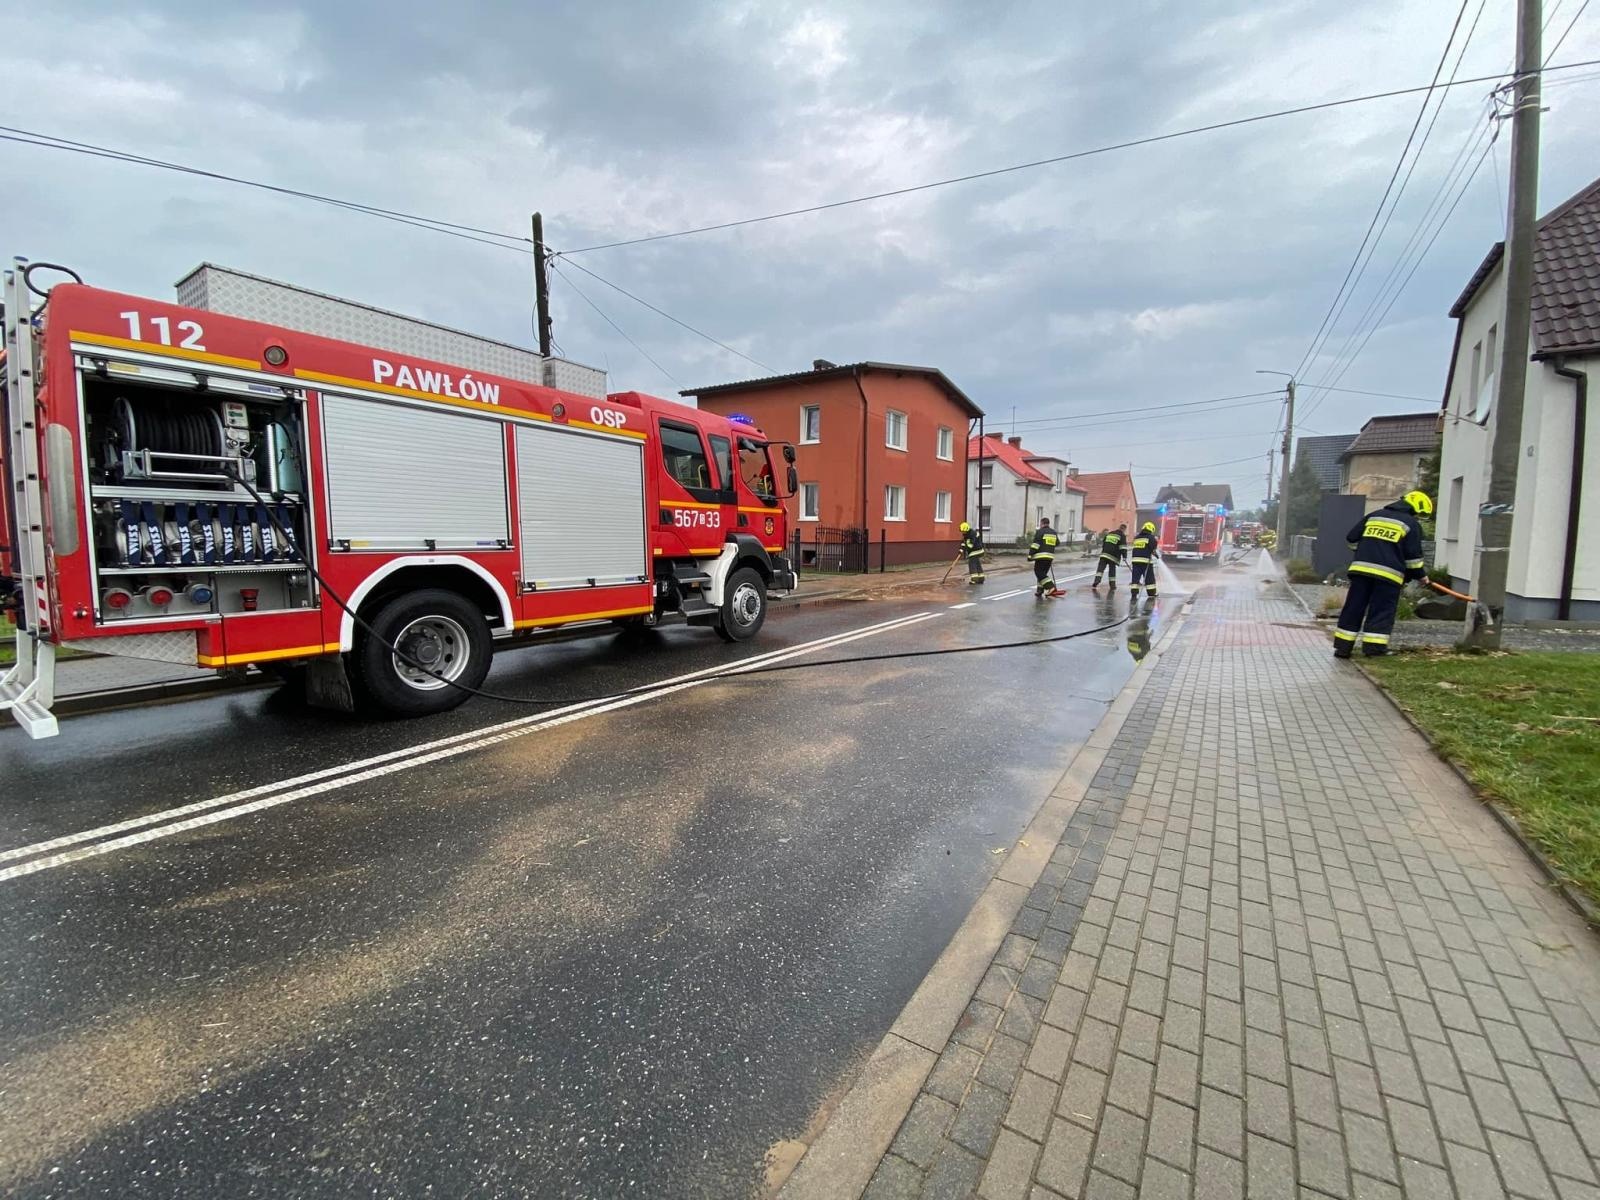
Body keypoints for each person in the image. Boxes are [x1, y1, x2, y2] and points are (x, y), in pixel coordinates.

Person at [1333, 491, 1431, 659]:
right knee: (1381, 611)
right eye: (1420, 514)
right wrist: (1420, 575)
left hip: (1361, 572)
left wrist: (1366, 551)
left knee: (1353, 608)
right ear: (1416, 509)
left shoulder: (1375, 516)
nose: (1418, 517)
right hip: (1388, 576)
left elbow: (1351, 539)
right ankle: (1374, 649)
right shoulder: (1411, 524)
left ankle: (1342, 648)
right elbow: (1413, 557)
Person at [1028, 517, 1066, 598]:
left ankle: (1051, 587)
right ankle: (1040, 590)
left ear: (1042, 523)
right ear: (1048, 523)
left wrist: (1030, 554)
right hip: (1050, 557)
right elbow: (1057, 543)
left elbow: (1036, 545)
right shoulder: (1053, 532)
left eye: (1040, 524)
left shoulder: (1040, 531)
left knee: (1039, 572)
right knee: (1043, 574)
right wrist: (1049, 545)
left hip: (1041, 556)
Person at [1128, 520, 1160, 599]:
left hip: (1135, 561)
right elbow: (1153, 546)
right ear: (1151, 529)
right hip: (1146, 561)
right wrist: (1155, 553)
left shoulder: (1137, 537)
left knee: (1135, 578)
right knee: (1149, 578)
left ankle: (1134, 594)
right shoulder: (1150, 537)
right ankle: (1151, 593)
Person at [1092, 523, 1127, 588]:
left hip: (1104, 554)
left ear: (1119, 527)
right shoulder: (1122, 535)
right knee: (1112, 570)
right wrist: (1124, 557)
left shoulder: (1110, 533)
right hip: (1113, 556)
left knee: (1100, 569)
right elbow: (1123, 547)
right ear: (1124, 529)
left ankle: (1096, 581)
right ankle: (1112, 585)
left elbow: (1104, 543)